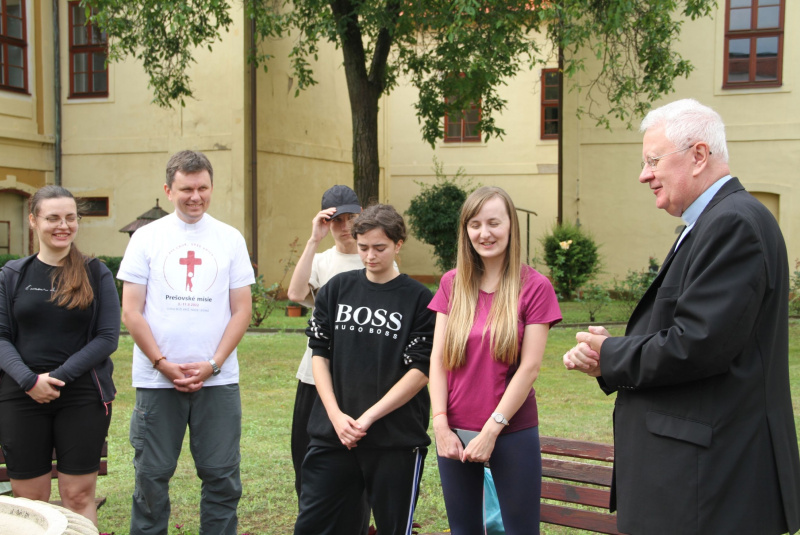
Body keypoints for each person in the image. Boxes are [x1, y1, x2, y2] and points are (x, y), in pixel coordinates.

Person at [564, 99, 800, 535]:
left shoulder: (734, 223)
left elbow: (698, 345)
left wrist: (612, 352)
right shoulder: (712, 221)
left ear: (698, 156)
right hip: (691, 480)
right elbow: (688, 329)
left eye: (653, 160)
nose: (644, 174)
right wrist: (610, 354)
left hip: (706, 486)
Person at [118, 150, 255, 535]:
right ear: (168, 189)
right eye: (186, 189)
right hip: (158, 380)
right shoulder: (147, 238)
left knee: (222, 476)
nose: (195, 196)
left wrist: (213, 363)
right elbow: (131, 311)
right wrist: (163, 363)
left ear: (211, 187)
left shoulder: (229, 238)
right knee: (151, 477)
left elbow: (241, 310)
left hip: (218, 380)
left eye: (202, 188)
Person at [428, 186, 561, 535]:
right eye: (475, 224)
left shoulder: (535, 287)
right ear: (465, 231)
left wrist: (492, 430)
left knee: (520, 531)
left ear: (510, 227)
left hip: (511, 431)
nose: (484, 233)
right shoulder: (451, 284)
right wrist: (440, 424)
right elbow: (438, 361)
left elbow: (530, 368)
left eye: (493, 223)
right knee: (464, 530)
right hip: (454, 432)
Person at [294, 204, 434, 535]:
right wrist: (335, 416)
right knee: (313, 525)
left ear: (399, 244)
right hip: (333, 435)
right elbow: (319, 354)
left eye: (380, 248)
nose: (370, 256)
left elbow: (421, 370)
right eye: (363, 247)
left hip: (394, 439)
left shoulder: (420, 300)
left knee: (392, 528)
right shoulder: (337, 289)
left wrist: (369, 417)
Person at [0, 185, 120, 526]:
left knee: (79, 497)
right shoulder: (12, 275)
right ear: (34, 221)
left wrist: (60, 376)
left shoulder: (96, 273)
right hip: (21, 396)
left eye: (70, 217)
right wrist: (28, 380)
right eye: (52, 218)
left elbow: (107, 337)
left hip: (81, 395)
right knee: (30, 503)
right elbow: (1, 336)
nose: (62, 225)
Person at [286, 185, 371, 533]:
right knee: (304, 457)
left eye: (352, 217)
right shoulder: (321, 261)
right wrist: (313, 240)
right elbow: (294, 293)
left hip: (355, 381)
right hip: (313, 378)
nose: (346, 226)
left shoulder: (374, 258)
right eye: (337, 220)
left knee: (354, 466)